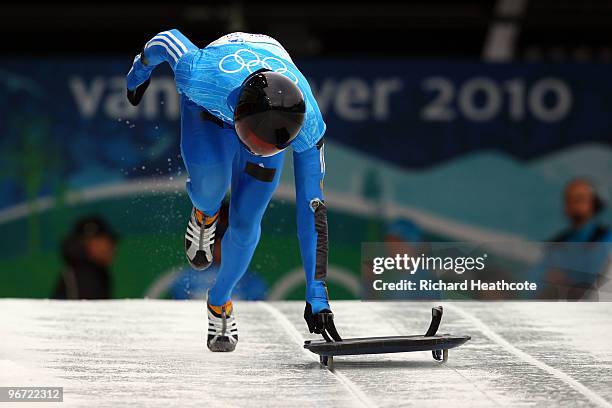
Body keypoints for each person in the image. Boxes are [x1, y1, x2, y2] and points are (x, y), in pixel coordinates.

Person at [126, 30, 339, 351]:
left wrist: (317, 293)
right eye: (255, 142)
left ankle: (219, 301)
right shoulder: (201, 76)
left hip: (251, 101)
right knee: (210, 190)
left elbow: (313, 209)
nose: (258, 150)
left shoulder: (309, 126)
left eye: (272, 146)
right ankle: (204, 213)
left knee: (246, 222)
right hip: (211, 110)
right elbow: (166, 40)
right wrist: (138, 73)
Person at [537, 178, 611, 299]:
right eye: (569, 199)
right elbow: (538, 282)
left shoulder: (608, 239)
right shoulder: (557, 244)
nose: (574, 203)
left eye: (580, 198)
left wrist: (566, 283)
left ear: (595, 203)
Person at [53, 216, 117, 299]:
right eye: (107, 241)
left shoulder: (95, 272)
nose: (112, 247)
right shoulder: (82, 273)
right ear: (87, 242)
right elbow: (86, 311)